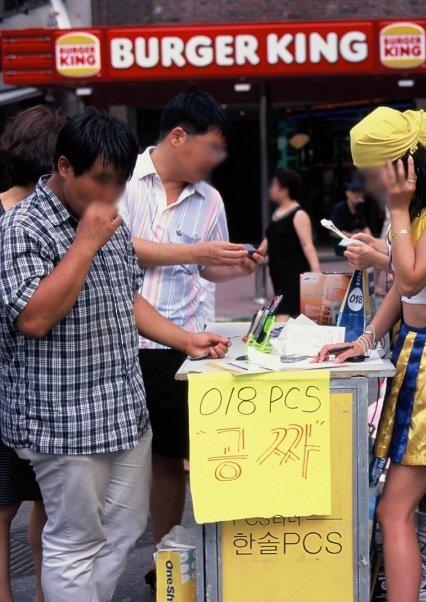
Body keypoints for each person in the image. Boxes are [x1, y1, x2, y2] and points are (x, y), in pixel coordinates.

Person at [0, 107, 230, 601]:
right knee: (74, 542)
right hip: (63, 418)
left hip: (124, 408)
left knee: (122, 534)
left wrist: (182, 338)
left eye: (119, 183)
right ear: (64, 167)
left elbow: (127, 297)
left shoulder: (110, 219)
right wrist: (84, 243)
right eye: (99, 181)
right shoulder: (25, 226)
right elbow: (34, 318)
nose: (108, 195)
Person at [316, 106, 426, 602]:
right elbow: (402, 292)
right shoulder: (412, 214)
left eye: (374, 173)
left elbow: (410, 278)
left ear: (402, 166)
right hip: (418, 353)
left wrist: (394, 215)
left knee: (394, 510)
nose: (370, 183)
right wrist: (365, 340)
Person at [116, 89, 263, 586]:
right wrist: (196, 250)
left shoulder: (211, 199)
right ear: (178, 137)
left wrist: (233, 265)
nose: (216, 160)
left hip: (186, 346)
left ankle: (166, 559)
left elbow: (205, 268)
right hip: (124, 343)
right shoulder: (124, 181)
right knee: (119, 460)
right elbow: (117, 247)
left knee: (175, 458)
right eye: (211, 147)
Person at [0, 104, 66, 602]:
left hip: (37, 381)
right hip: (21, 377)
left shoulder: (60, 216)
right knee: (22, 503)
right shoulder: (28, 218)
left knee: (32, 503)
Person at [257, 167, 320, 315]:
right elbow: (269, 239)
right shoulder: (277, 214)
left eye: (274, 185)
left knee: (283, 315)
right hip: (279, 274)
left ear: (285, 189)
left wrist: (316, 272)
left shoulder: (299, 214)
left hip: (294, 275)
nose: (271, 189)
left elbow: (307, 244)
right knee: (290, 316)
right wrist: (254, 256)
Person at [330, 174, 372, 256]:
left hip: (356, 242)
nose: (356, 194)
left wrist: (370, 239)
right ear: (347, 193)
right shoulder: (339, 208)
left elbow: (364, 227)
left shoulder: (360, 207)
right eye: (353, 191)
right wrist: (354, 236)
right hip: (342, 244)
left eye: (359, 192)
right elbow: (333, 232)